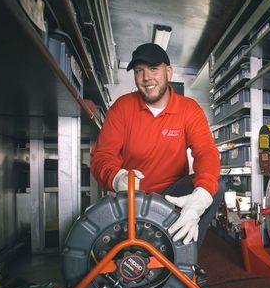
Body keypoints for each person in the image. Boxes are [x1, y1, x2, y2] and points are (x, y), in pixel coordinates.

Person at [90, 43, 223, 246]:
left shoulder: (189, 109)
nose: (146, 78)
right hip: (134, 195)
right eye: (139, 71)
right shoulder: (122, 107)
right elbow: (102, 155)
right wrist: (116, 178)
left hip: (172, 196)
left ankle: (187, 258)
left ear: (168, 72)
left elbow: (205, 151)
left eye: (153, 69)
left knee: (215, 186)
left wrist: (202, 194)